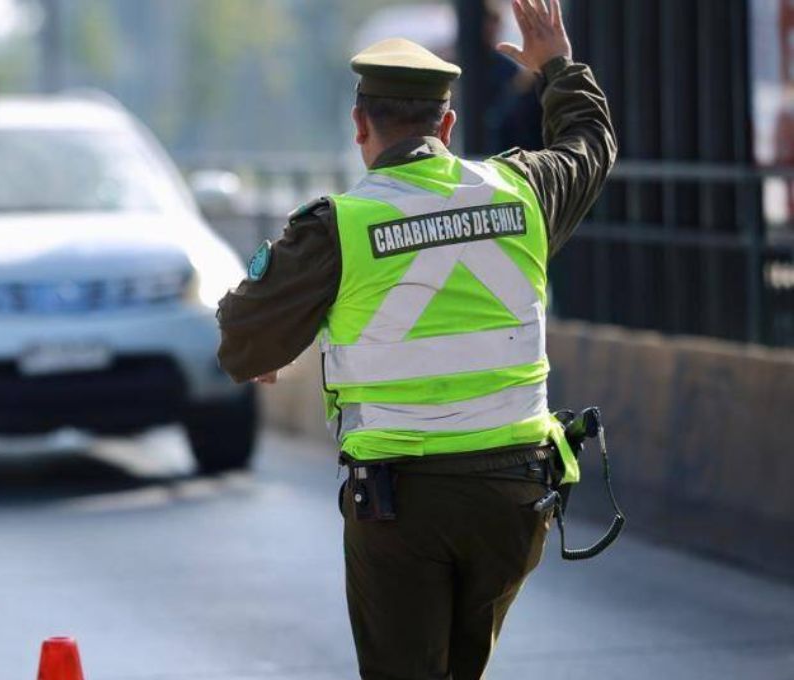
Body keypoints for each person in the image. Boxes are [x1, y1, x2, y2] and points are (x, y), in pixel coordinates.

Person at [216, 1, 616, 678]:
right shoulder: (521, 190)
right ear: (448, 125)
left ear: (359, 125)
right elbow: (589, 145)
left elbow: (241, 341)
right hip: (515, 497)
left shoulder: (336, 227)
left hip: (402, 506)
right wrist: (556, 63)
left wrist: (275, 340)